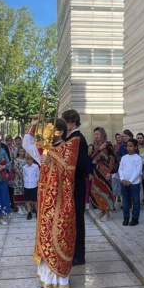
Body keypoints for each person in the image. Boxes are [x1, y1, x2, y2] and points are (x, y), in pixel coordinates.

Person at [23, 117, 79, 288]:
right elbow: (27, 144)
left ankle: (60, 282)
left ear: (59, 132)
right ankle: (48, 280)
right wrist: (32, 125)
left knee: (59, 240)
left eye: (48, 129)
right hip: (46, 205)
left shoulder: (69, 147)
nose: (44, 132)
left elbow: (68, 171)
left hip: (61, 204)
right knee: (46, 240)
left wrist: (51, 160)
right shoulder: (46, 150)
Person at [62, 109, 88, 266]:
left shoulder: (78, 139)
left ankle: (79, 255)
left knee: (77, 219)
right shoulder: (72, 137)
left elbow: (80, 164)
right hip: (72, 184)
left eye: (65, 122)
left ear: (72, 122)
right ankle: (74, 252)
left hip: (76, 184)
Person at [90, 127, 116, 221]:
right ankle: (102, 210)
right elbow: (91, 157)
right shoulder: (96, 145)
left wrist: (109, 171)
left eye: (98, 134)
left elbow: (112, 158)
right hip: (97, 171)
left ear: (102, 134)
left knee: (106, 191)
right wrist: (98, 149)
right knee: (97, 191)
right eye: (95, 134)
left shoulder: (108, 144)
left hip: (105, 171)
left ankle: (107, 212)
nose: (96, 136)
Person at [119, 138, 143, 226]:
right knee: (125, 201)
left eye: (131, 146)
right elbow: (120, 169)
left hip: (134, 183)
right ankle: (126, 218)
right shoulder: (124, 158)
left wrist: (130, 181)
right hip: (124, 182)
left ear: (135, 147)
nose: (129, 148)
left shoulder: (138, 158)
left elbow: (138, 171)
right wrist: (122, 179)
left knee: (136, 201)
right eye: (127, 146)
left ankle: (135, 218)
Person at [23, 154, 39, 220]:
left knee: (35, 200)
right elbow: (24, 175)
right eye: (27, 160)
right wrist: (25, 180)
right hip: (26, 185)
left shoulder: (35, 166)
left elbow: (38, 175)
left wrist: (36, 181)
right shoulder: (24, 167)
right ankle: (29, 212)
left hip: (34, 185)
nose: (28, 161)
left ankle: (36, 211)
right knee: (27, 199)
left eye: (29, 160)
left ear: (32, 160)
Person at [13, 147, 27, 215]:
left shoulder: (26, 160)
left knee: (24, 192)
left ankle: (24, 207)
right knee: (19, 192)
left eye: (23, 151)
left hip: (26, 179)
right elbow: (16, 170)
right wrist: (22, 177)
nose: (22, 153)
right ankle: (19, 208)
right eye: (21, 151)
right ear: (18, 152)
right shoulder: (16, 160)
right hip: (18, 179)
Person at [85, 144, 95, 210]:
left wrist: (92, 174)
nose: (89, 150)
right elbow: (86, 167)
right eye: (88, 148)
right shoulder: (85, 157)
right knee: (87, 190)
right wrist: (89, 174)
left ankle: (93, 203)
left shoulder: (94, 158)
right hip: (87, 176)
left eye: (90, 149)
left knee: (93, 190)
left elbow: (94, 167)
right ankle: (87, 203)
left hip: (93, 176)